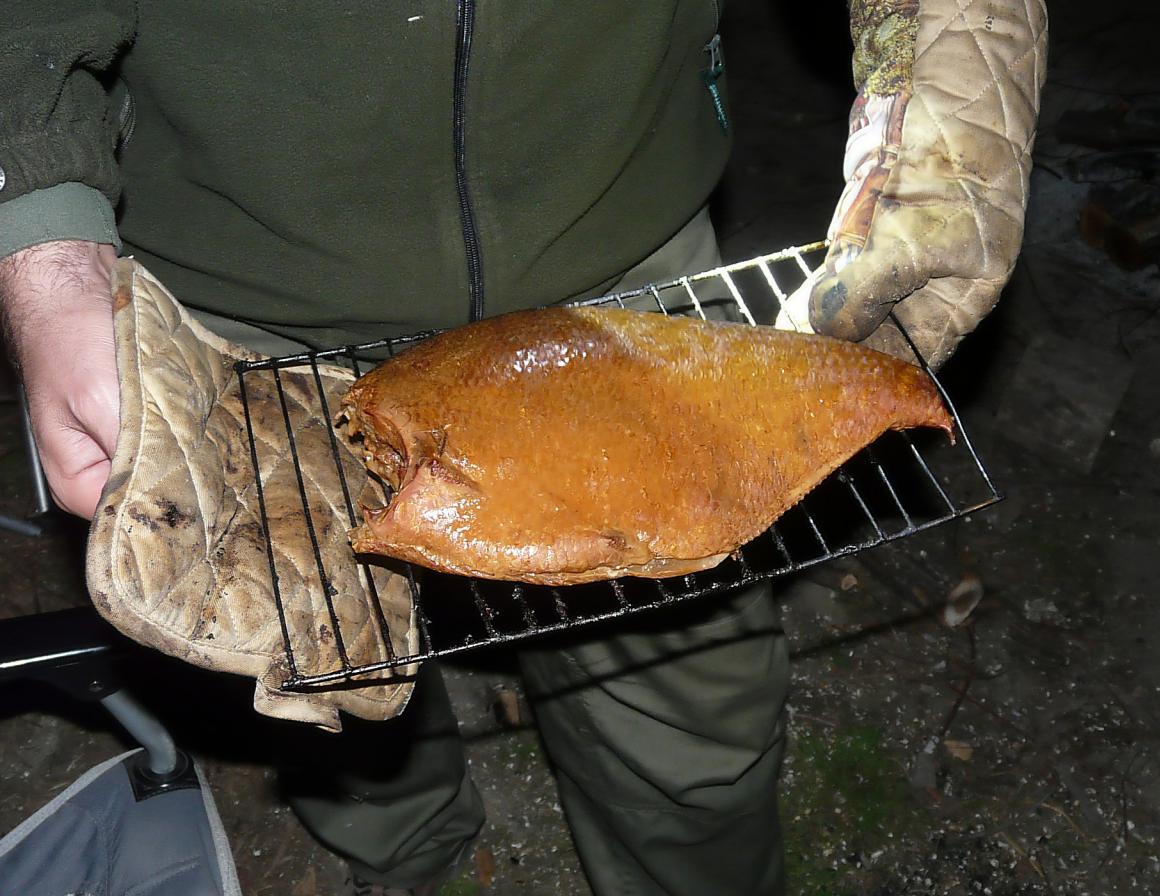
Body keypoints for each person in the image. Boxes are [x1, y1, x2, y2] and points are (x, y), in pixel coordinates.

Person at [0, 3, 1045, 894]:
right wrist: (40, 234)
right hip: (250, 315)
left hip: (625, 282)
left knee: (697, 717)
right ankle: (408, 851)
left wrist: (962, 56)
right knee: (324, 686)